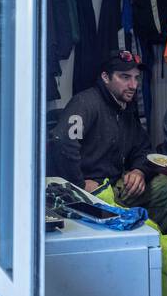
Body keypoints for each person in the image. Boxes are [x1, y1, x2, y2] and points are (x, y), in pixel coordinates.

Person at [48, 50, 152, 208]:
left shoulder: (125, 109)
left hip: (113, 185)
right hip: (86, 193)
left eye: (136, 78)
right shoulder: (85, 103)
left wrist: (139, 171)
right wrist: (79, 184)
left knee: (165, 187)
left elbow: (144, 149)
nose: (133, 85)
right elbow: (62, 142)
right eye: (125, 77)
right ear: (105, 77)